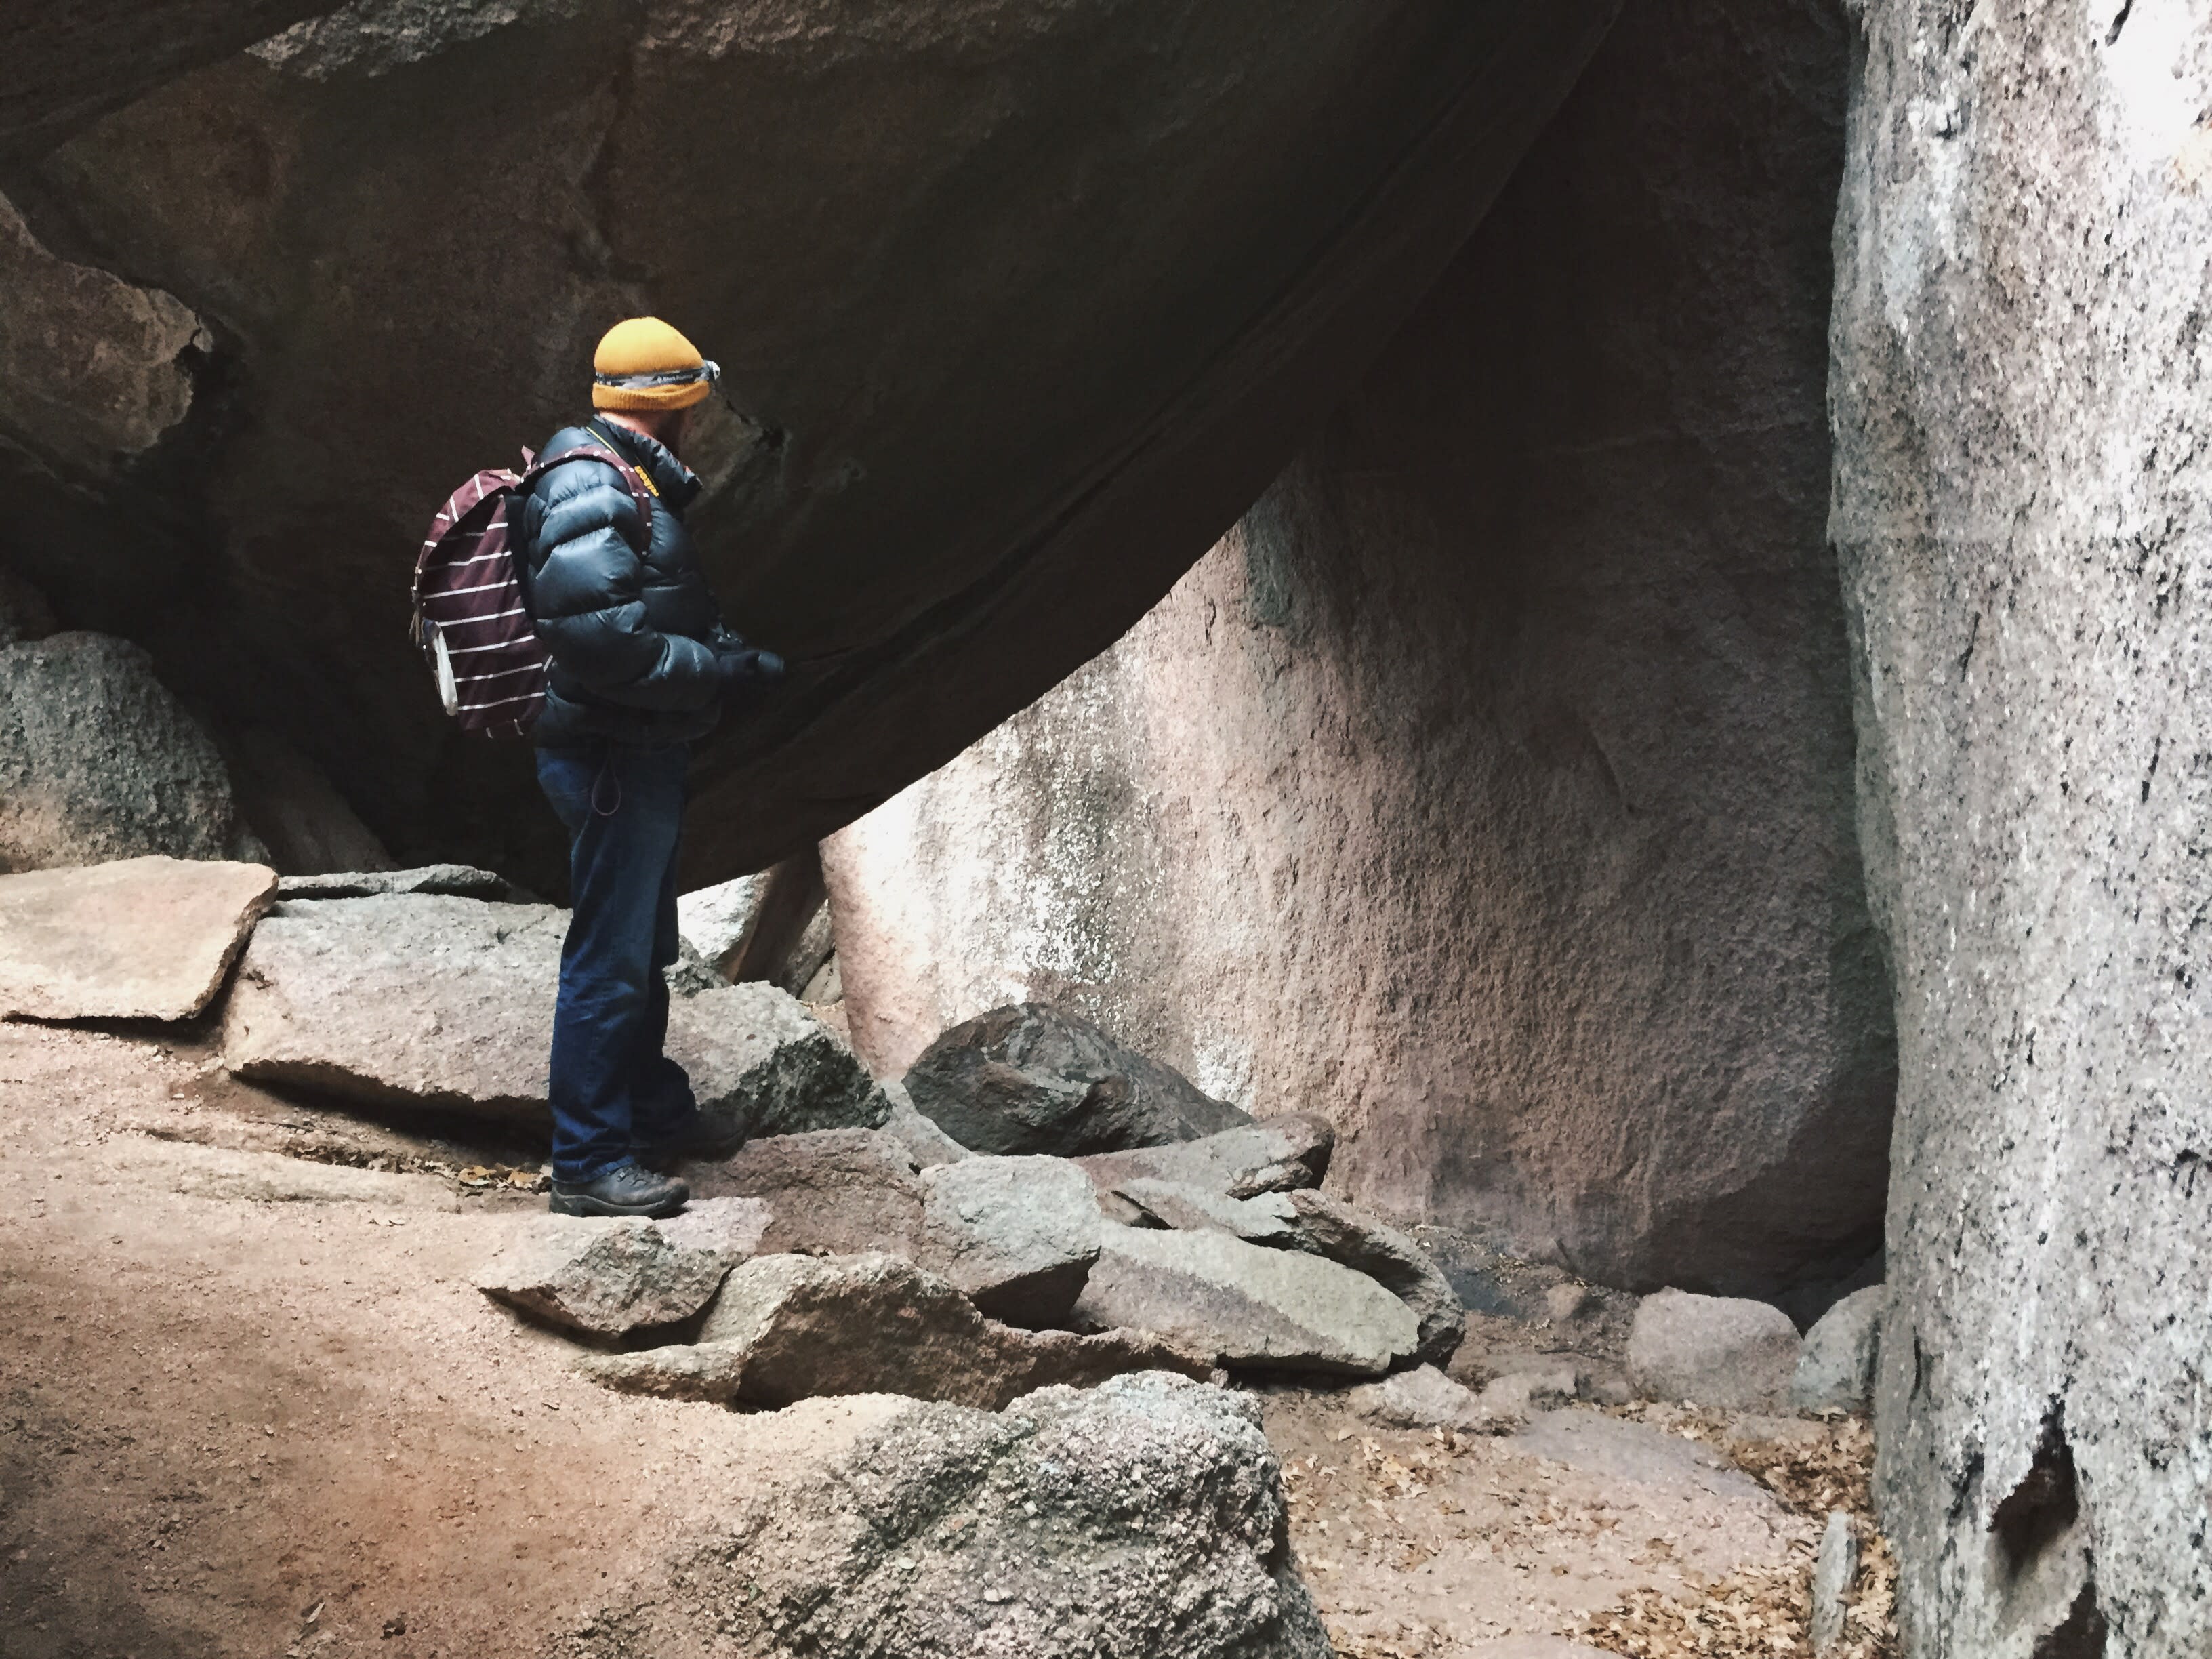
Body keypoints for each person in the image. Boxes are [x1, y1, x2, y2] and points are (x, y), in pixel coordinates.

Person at [518, 316, 783, 1218]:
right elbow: (599, 641)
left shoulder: (620, 478)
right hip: (611, 759)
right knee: (612, 953)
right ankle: (590, 1160)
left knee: (643, 946)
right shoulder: (590, 484)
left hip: (635, 753)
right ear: (670, 409)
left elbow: (638, 605)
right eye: (693, 406)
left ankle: (649, 1110)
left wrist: (723, 650)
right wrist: (717, 671)